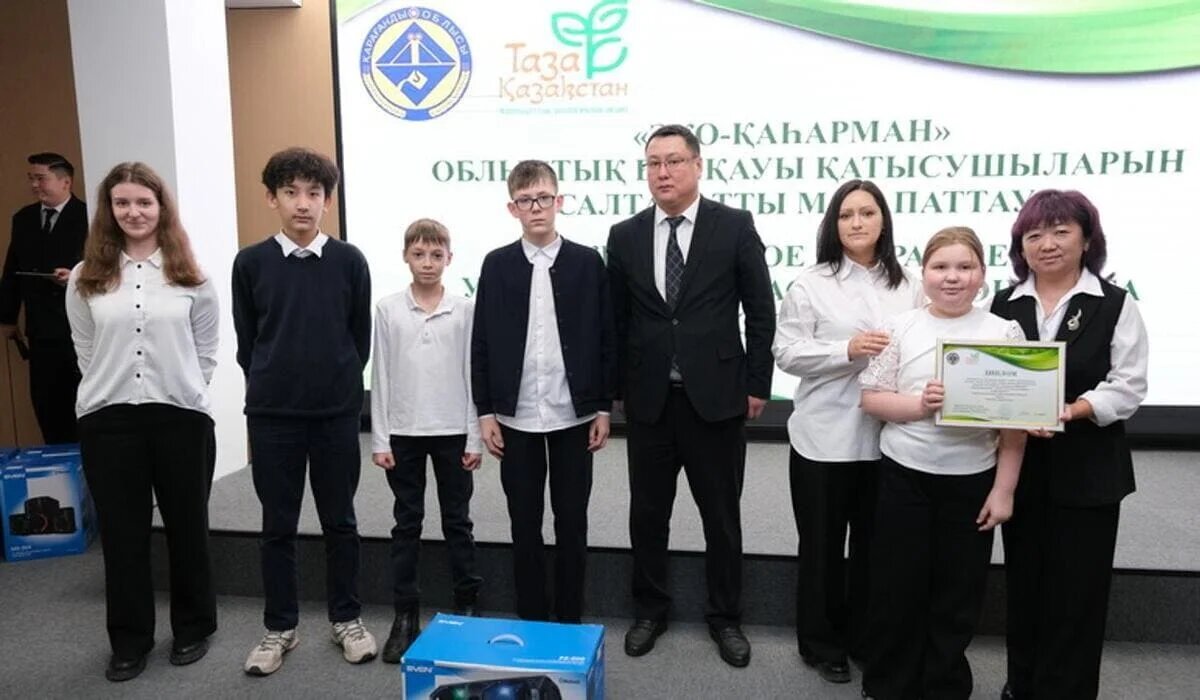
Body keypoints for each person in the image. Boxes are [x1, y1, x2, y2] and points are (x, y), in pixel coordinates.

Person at [607, 124, 775, 667]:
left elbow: (760, 309)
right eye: (653, 163)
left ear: (698, 166)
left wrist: (758, 383)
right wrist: (616, 390)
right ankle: (649, 610)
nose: (663, 172)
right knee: (647, 515)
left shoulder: (734, 225)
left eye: (674, 161)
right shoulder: (625, 235)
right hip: (650, 401)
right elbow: (617, 320)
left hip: (718, 399)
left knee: (721, 518)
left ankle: (726, 618)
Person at [991, 190, 1148, 700]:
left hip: (1089, 469)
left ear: (1086, 240)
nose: (1048, 244)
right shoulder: (1002, 305)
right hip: (1021, 467)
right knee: (1025, 584)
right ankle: (1023, 684)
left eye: (1061, 231)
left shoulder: (1115, 304)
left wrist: (1074, 410)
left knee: (1078, 593)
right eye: (1034, 235)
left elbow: (1128, 385)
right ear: (1021, 246)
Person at [858, 227, 1026, 700]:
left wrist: (1004, 490)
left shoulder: (1003, 331)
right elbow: (872, 399)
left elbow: (1014, 425)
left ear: (983, 275)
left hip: (972, 480)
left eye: (965, 267)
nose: (952, 277)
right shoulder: (901, 327)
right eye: (941, 267)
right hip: (904, 476)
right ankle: (889, 685)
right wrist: (919, 405)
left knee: (958, 593)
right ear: (924, 273)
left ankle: (944, 685)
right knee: (896, 587)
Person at [65, 162, 218, 682]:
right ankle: (130, 641)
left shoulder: (191, 276)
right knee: (122, 536)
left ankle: (194, 627)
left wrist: (180, 390)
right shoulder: (85, 278)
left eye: (144, 202)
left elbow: (205, 351)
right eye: (122, 203)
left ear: (161, 208)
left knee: (187, 528)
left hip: (180, 419)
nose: (133, 212)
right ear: (109, 210)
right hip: (109, 422)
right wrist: (115, 391)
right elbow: (86, 349)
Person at [772, 180, 923, 683]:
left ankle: (864, 638)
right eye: (846, 214)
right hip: (824, 437)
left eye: (867, 212)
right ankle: (821, 644)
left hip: (892, 441)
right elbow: (786, 353)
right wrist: (846, 350)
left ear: (884, 220)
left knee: (875, 551)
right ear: (832, 224)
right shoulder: (810, 284)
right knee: (821, 549)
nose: (857, 223)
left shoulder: (912, 284)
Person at [233, 147, 375, 675]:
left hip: (335, 413)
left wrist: (336, 382)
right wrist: (275, 379)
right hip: (273, 416)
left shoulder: (349, 260)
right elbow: (248, 342)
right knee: (278, 525)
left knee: (341, 521)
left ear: (327, 201)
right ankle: (280, 627)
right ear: (271, 198)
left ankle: (347, 619)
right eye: (290, 192)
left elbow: (359, 338)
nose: (303, 203)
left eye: (314, 193)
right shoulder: (250, 263)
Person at [471, 159, 615, 624]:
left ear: (560, 201)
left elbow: (605, 336)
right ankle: (532, 617)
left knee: (572, 521)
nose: (536, 207)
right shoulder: (496, 265)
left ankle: (569, 618)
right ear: (512, 208)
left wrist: (603, 407)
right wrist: (486, 411)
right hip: (516, 418)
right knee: (524, 522)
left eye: (544, 198)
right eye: (526, 200)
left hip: (574, 414)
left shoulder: (587, 262)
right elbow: (482, 340)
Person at [371, 218, 484, 663]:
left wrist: (474, 436)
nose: (428, 263)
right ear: (405, 257)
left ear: (449, 259)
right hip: (404, 434)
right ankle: (405, 616)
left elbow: (473, 375)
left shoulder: (465, 310)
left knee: (458, 522)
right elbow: (381, 375)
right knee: (407, 524)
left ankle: (467, 607)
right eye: (419, 254)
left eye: (437, 255)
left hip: (453, 432)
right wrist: (380, 439)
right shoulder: (388, 309)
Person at [1, 152, 88, 443]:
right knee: (47, 406)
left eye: (41, 178)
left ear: (65, 182)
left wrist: (74, 277)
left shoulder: (88, 216)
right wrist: (7, 316)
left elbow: (104, 269)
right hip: (39, 329)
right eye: (31, 179)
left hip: (77, 327)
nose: (34, 185)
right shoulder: (23, 218)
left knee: (82, 402)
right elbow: (12, 269)